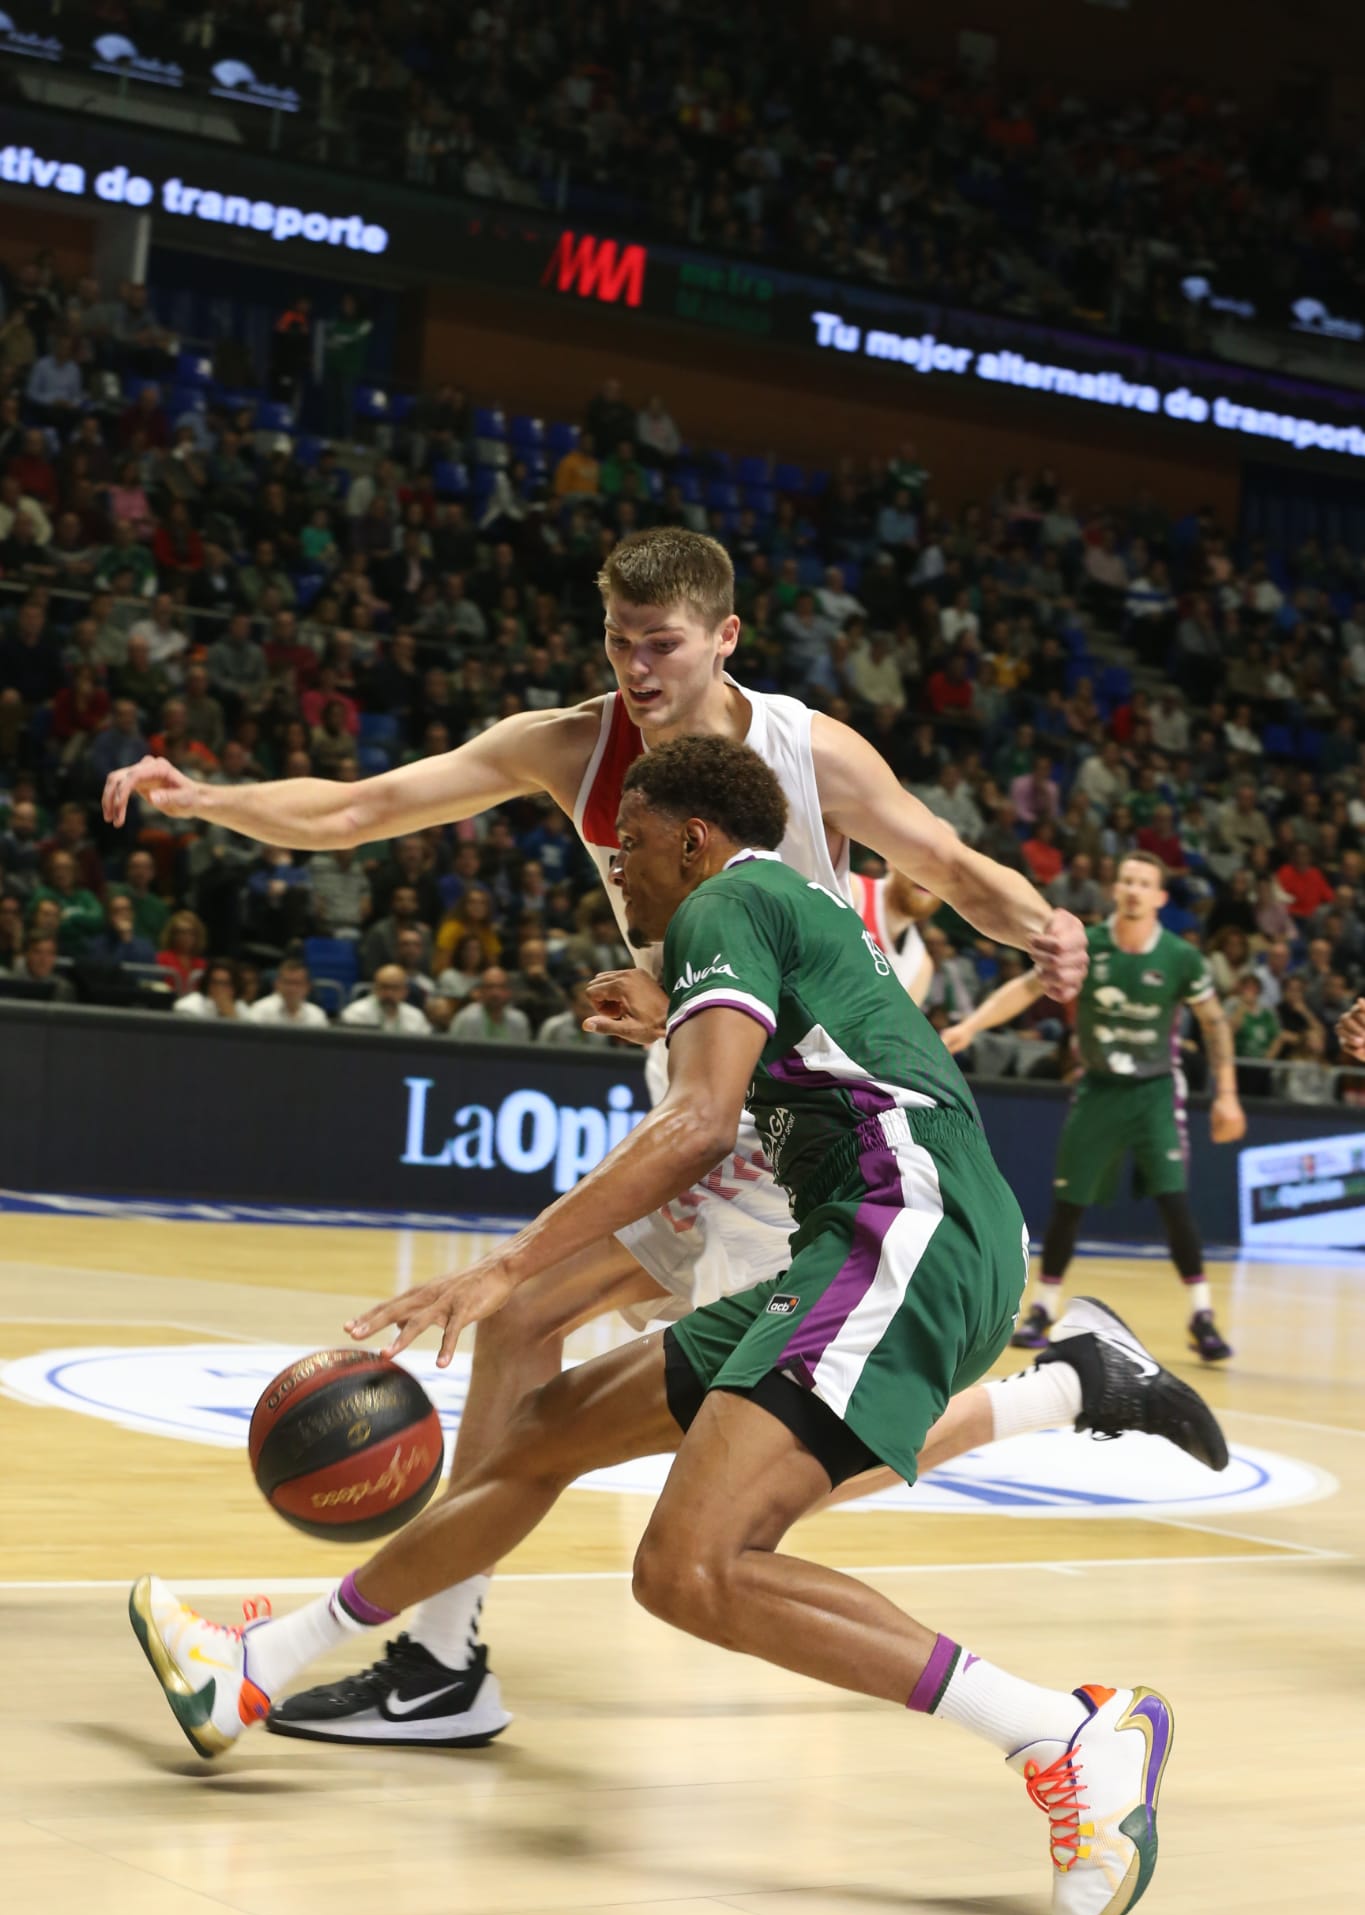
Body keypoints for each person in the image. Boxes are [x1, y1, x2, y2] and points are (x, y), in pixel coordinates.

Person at [104, 526, 1202, 1744]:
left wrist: (1045, 926)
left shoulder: (802, 749)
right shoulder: (573, 746)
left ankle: (1056, 1410)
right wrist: (207, 799)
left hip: (807, 1133)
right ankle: (430, 1656)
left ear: (725, 639)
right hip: (726, 1108)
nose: (635, 666)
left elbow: (944, 858)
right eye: (618, 641)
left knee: (750, 1478)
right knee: (558, 1356)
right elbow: (365, 804)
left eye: (661, 643)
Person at [131, 738, 1207, 1915]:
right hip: (864, 1233)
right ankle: (260, 1666)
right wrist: (672, 1007)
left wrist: (504, 1262)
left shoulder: (726, 898)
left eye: (628, 843)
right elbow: (820, 1053)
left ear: (691, 837)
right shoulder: (780, 902)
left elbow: (697, 1122)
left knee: (690, 1565)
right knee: (537, 1438)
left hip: (906, 1229)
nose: (614, 865)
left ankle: (1066, 1732)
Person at [944, 853, 1247, 1363]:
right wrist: (971, 1026)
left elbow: (1215, 1023)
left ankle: (1202, 1315)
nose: (1133, 889)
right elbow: (1026, 986)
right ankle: (1042, 1308)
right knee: (1068, 1204)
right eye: (1126, 880)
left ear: (1160, 898)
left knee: (1174, 1204)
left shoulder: (1181, 957)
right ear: (1116, 889)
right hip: (1098, 1089)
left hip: (1153, 1092)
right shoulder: (1092, 946)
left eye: (1144, 883)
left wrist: (1228, 1093)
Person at [848, 864, 936, 1004]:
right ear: (890, 860)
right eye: (923, 861)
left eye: (942, 872)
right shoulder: (851, 889)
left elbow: (896, 1025)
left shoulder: (920, 967)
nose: (930, 877)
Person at [339, 962, 432, 1034]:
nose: (389, 993)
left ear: (405, 991)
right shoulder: (356, 1014)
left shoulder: (416, 1017)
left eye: (395, 988)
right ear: (375, 989)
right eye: (384, 987)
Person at [448, 964, 531, 1042]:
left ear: (508, 992)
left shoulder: (519, 1021)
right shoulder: (467, 1018)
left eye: (501, 987)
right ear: (480, 991)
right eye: (489, 987)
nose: (495, 993)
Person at [249, 957, 329, 1029]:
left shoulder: (317, 1015)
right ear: (277, 984)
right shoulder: (260, 1010)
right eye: (287, 982)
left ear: (307, 987)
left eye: (297, 983)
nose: (291, 989)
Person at [174, 959, 250, 1021]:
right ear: (207, 984)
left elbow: (248, 1037)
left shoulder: (240, 1007)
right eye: (215, 982)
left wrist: (232, 1016)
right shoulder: (188, 1007)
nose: (219, 989)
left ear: (235, 987)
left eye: (225, 984)